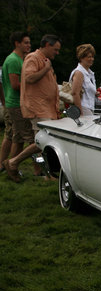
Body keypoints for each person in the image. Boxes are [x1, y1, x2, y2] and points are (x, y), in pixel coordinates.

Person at [3, 34, 61, 183]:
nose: (57, 53)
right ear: (47, 45)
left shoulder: (43, 59)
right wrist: (46, 68)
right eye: (55, 49)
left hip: (46, 108)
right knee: (41, 141)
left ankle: (45, 173)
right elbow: (29, 78)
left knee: (41, 141)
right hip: (37, 107)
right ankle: (13, 163)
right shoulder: (33, 58)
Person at [1, 32, 35, 180]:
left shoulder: (20, 59)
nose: (29, 45)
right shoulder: (14, 60)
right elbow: (15, 85)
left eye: (29, 42)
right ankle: (11, 166)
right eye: (26, 43)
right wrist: (34, 87)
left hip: (15, 103)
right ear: (17, 43)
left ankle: (7, 166)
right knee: (26, 138)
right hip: (16, 104)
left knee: (15, 137)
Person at [69, 44, 97, 116]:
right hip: (83, 108)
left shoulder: (90, 73)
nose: (92, 59)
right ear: (81, 58)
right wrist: (80, 113)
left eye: (92, 57)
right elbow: (75, 93)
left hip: (89, 108)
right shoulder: (79, 72)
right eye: (89, 57)